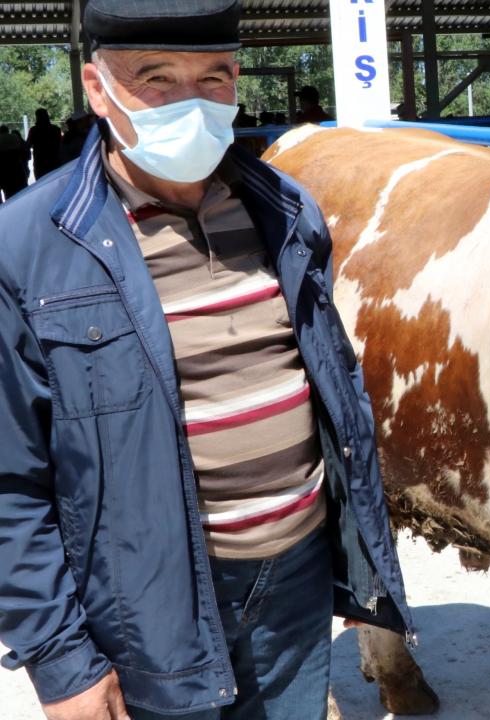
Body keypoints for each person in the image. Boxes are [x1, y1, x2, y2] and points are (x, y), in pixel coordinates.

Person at [0, 2, 414, 719]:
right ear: (97, 89)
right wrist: (62, 661)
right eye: (156, 78)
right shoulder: (30, 248)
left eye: (214, 77)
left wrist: (356, 562)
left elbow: (334, 391)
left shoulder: (286, 212)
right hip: (147, 607)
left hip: (298, 583)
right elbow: (11, 480)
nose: (191, 102)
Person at [26, 108, 63, 179]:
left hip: (40, 163)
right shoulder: (56, 129)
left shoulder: (34, 130)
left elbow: (28, 144)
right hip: (54, 161)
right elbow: (61, 144)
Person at [0, 125, 29, 201]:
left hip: (4, 167)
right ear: (8, 130)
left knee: (8, 190)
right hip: (16, 164)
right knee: (20, 188)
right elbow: (22, 148)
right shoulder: (14, 137)